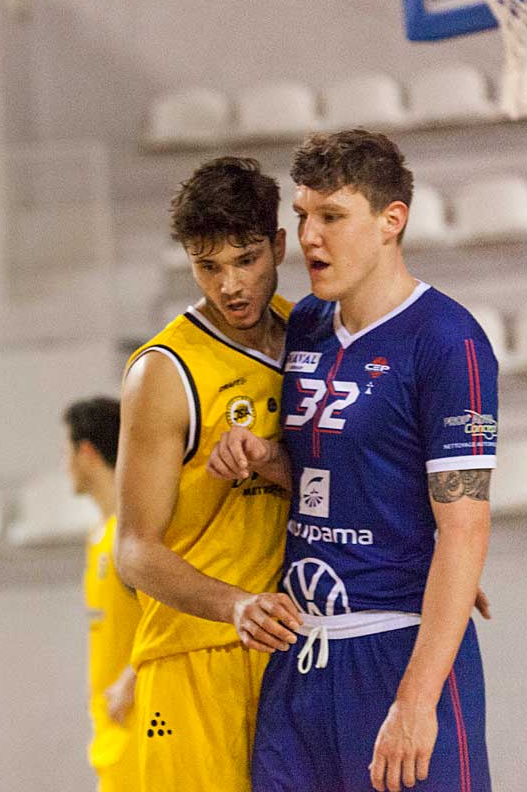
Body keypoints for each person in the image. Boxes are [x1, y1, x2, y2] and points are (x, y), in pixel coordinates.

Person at [207, 129, 496, 792]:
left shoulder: (448, 341)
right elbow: (339, 472)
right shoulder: (306, 324)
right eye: (303, 215)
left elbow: (465, 528)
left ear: (392, 220)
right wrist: (262, 456)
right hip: (299, 657)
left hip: (395, 651)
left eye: (332, 217)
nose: (309, 237)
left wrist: (415, 703)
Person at [113, 157, 304, 792]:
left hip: (296, 645)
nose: (230, 285)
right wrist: (235, 605)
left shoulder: (311, 336)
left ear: (279, 245)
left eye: (246, 259)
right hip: (196, 653)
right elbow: (134, 550)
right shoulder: (164, 371)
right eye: (208, 266)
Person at [64, 397, 141, 792]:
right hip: (111, 729)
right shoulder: (100, 537)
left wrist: (131, 677)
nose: (64, 465)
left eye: (67, 452)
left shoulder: (130, 539)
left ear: (87, 453)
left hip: (139, 727)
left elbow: (172, 617)